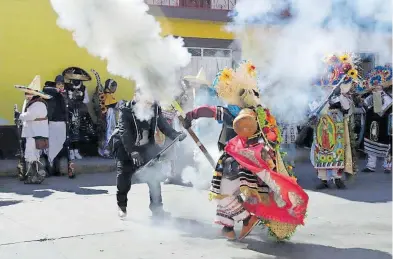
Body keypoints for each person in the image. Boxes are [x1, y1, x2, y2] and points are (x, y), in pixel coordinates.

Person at [184, 61, 303, 240]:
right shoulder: (261, 113)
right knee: (225, 192)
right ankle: (228, 228)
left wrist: (191, 115)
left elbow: (209, 111)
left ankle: (245, 219)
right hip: (255, 163)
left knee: (221, 191)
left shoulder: (239, 114)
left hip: (239, 163)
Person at [110, 90, 187, 218]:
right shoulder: (126, 110)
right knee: (124, 178)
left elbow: (162, 124)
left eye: (151, 102)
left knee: (154, 178)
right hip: (126, 148)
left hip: (146, 147)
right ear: (136, 97)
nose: (149, 105)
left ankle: (157, 209)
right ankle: (122, 206)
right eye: (146, 102)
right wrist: (132, 151)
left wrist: (175, 135)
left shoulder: (155, 107)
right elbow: (125, 133)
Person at [311, 53, 359, 189]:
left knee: (336, 149)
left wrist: (338, 96)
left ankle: (337, 178)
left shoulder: (341, 92)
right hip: (322, 122)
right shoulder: (319, 94)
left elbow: (347, 107)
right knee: (321, 149)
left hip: (336, 121)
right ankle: (323, 179)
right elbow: (314, 107)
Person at [14, 75, 52, 184]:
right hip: (33, 132)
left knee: (31, 154)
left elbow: (30, 116)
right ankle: (35, 176)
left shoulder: (38, 103)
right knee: (32, 155)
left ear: (35, 94)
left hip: (35, 133)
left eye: (30, 93)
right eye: (26, 93)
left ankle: (38, 174)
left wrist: (19, 115)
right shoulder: (33, 103)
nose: (27, 95)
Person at [360, 65, 392, 173]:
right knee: (370, 143)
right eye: (375, 85)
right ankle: (370, 165)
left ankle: (387, 165)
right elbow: (364, 106)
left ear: (383, 86)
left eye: (379, 85)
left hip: (384, 125)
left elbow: (380, 111)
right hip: (372, 124)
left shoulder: (387, 97)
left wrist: (376, 97)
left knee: (386, 145)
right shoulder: (371, 96)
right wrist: (359, 99)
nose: (377, 86)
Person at [62, 67, 96, 160]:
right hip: (69, 111)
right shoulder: (66, 86)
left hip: (79, 112)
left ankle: (76, 150)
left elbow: (86, 100)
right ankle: (70, 151)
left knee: (77, 132)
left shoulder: (83, 88)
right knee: (69, 131)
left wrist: (79, 100)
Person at [42, 75, 71, 176]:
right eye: (58, 84)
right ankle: (49, 167)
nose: (60, 86)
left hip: (62, 122)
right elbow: (44, 88)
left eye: (62, 84)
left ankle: (56, 167)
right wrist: (57, 90)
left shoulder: (65, 95)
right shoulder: (52, 92)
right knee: (52, 144)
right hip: (52, 122)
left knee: (60, 143)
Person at [91, 69, 121, 158]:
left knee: (110, 135)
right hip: (105, 119)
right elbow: (108, 106)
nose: (114, 88)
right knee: (106, 135)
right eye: (113, 86)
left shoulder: (111, 95)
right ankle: (105, 151)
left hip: (110, 119)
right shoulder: (105, 95)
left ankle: (108, 151)